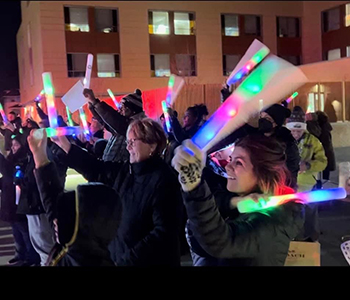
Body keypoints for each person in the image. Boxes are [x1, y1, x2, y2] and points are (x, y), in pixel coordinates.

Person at [52, 118, 183, 266]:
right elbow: (97, 169)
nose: (128, 148)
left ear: (152, 145)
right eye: (127, 142)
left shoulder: (164, 180)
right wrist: (66, 146)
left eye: (133, 142)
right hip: (120, 256)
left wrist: (128, 260)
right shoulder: (127, 171)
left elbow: (164, 232)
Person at [172, 135, 305, 266]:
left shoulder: (274, 221)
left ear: (262, 174)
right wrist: (236, 202)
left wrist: (194, 184)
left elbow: (221, 241)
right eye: (231, 159)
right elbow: (216, 202)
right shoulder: (244, 198)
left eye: (239, 163)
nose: (228, 167)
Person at [27, 129, 122, 266]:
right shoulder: (72, 248)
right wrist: (39, 156)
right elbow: (52, 201)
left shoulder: (83, 260)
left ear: (85, 225)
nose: (55, 222)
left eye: (64, 218)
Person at [208, 104, 300, 189]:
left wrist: (286, 190)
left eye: (267, 118)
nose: (263, 120)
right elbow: (229, 138)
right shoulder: (253, 135)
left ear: (276, 123)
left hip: (272, 186)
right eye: (261, 117)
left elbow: (291, 170)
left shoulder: (287, 143)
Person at [286, 106, 327, 242]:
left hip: (308, 183)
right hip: (289, 183)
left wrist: (308, 165)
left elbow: (323, 161)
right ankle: (293, 238)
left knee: (310, 212)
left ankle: (312, 238)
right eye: (292, 130)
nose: (296, 134)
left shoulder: (313, 141)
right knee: (292, 213)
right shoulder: (284, 140)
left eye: (298, 130)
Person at [0, 135, 40, 266]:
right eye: (12, 145)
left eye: (16, 145)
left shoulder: (24, 160)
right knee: (16, 231)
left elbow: (10, 173)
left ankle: (30, 257)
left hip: (20, 202)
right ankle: (20, 253)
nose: (13, 148)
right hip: (9, 201)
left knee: (24, 231)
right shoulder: (11, 159)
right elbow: (6, 178)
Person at [85, 88, 146, 163]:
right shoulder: (122, 125)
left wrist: (95, 103)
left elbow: (114, 120)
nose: (119, 110)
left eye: (122, 107)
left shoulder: (136, 126)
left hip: (122, 170)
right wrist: (92, 106)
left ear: (131, 109)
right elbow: (106, 122)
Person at [315, 111, 336, 182]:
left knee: (320, 171)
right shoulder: (326, 127)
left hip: (323, 151)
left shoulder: (320, 129)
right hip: (327, 152)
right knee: (325, 174)